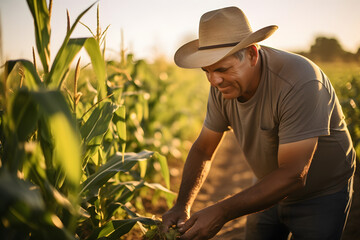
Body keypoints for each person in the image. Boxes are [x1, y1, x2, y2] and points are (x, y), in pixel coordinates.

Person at [161, 6, 356, 240]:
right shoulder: (223, 86)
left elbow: (294, 174)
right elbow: (203, 148)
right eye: (207, 71)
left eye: (222, 69)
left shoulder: (300, 81)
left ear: (252, 54)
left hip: (321, 193)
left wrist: (222, 211)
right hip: (266, 186)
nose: (214, 80)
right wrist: (181, 205)